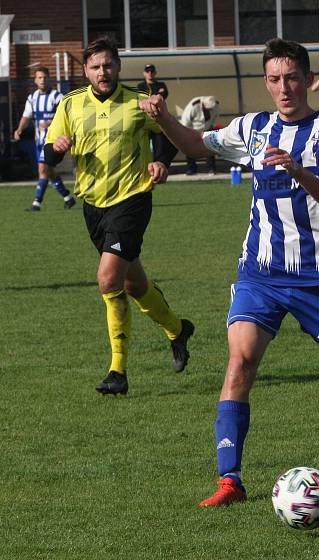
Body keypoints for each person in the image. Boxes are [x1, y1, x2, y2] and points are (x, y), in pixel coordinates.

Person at [138, 37, 319, 508]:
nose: (283, 87)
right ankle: (230, 480)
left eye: (292, 77)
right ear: (266, 82)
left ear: (309, 79)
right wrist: (164, 119)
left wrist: (299, 172)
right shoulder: (253, 127)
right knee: (240, 362)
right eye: (274, 79)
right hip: (261, 273)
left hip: (318, 279)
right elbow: (194, 144)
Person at [44, 36, 193, 396]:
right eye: (95, 66)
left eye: (108, 65)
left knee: (108, 280)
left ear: (118, 67)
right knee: (133, 284)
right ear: (85, 70)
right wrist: (55, 149)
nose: (102, 72)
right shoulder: (70, 105)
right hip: (93, 206)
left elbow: (169, 135)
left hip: (132, 200)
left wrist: (161, 161)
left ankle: (118, 371)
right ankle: (177, 330)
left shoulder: (137, 104)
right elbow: (47, 154)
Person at [13, 66, 76, 211]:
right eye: (39, 77)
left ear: (49, 79)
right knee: (49, 171)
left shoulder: (57, 97)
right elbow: (26, 116)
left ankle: (37, 202)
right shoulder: (32, 98)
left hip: (52, 141)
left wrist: (50, 122)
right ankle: (68, 197)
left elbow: (67, 116)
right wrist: (19, 129)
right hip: (38, 141)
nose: (42, 80)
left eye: (45, 77)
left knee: (42, 169)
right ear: (35, 80)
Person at [180, 96, 220, 175]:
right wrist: (187, 133)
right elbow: (185, 120)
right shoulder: (194, 105)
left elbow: (215, 117)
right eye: (208, 109)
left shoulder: (215, 105)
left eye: (210, 109)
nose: (209, 110)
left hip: (207, 129)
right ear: (203, 104)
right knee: (189, 149)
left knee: (210, 148)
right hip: (193, 129)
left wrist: (212, 126)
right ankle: (191, 169)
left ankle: (211, 169)